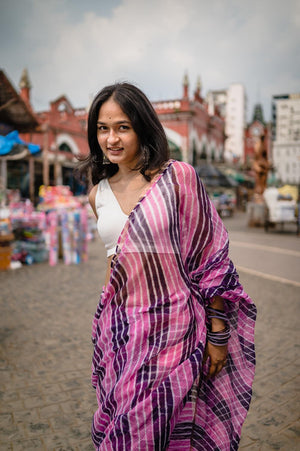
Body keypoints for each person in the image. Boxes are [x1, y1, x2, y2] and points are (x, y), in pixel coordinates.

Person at [77, 82, 256, 450]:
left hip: (177, 331)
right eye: (103, 128)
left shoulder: (178, 179)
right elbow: (115, 265)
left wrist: (218, 335)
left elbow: (210, 259)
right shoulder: (98, 193)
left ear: (143, 126)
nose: (111, 138)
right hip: (124, 333)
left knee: (172, 434)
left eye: (123, 127)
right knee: (127, 432)